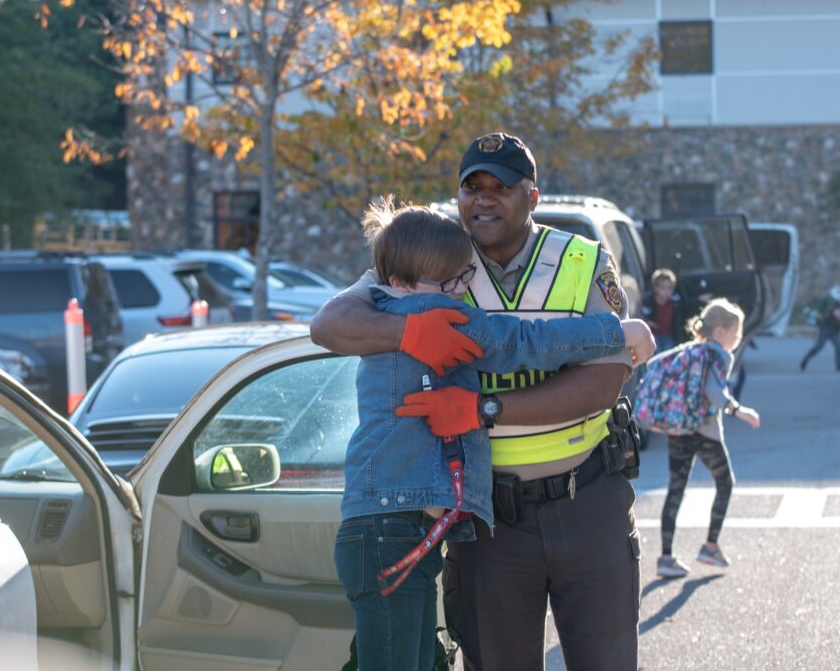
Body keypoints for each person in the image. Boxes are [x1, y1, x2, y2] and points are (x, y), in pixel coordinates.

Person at [312, 132, 645, 670]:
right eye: (473, 186)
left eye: (501, 187)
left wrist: (484, 411)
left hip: (588, 502)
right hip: (493, 523)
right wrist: (407, 335)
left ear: (531, 197)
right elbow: (330, 323)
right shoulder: (435, 256)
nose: (484, 198)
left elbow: (603, 385)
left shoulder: (581, 259)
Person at [657, 299, 761, 579]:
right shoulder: (717, 354)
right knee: (725, 483)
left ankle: (665, 557)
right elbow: (713, 390)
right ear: (720, 332)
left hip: (678, 429)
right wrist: (738, 410)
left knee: (675, 491)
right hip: (704, 432)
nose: (737, 340)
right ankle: (710, 546)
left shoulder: (689, 350)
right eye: (735, 334)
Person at [800, 285, 840, 373]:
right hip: (826, 328)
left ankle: (839, 366)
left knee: (839, 347)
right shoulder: (826, 301)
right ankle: (805, 360)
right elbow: (818, 314)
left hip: (835, 330)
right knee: (819, 346)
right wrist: (813, 321)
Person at [642, 268, 684, 353]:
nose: (666, 291)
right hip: (654, 334)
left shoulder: (675, 301)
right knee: (656, 352)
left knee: (667, 353)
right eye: (663, 288)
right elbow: (643, 315)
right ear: (655, 288)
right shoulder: (649, 301)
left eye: (669, 288)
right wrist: (647, 322)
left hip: (669, 334)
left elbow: (687, 303)